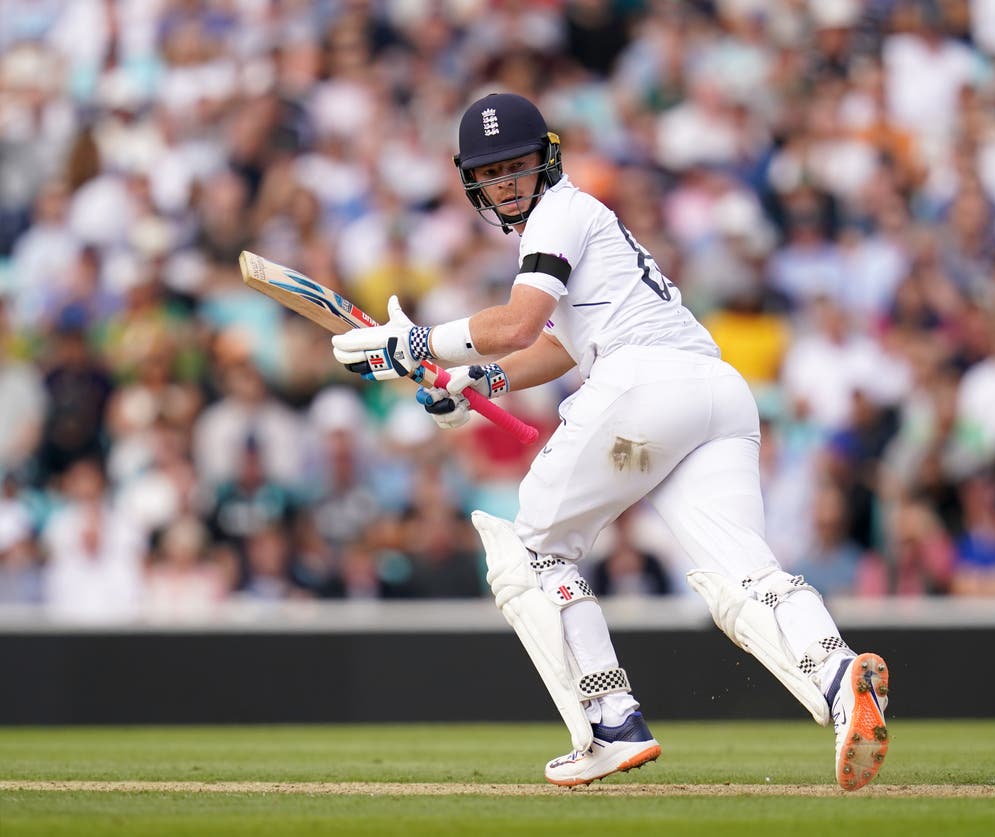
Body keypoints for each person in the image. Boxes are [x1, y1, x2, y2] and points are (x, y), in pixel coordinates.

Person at [331, 93, 890, 790]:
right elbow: (558, 345)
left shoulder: (562, 211)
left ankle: (610, 720)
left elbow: (516, 324)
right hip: (711, 396)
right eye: (493, 172)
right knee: (742, 576)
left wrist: (415, 342)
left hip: (645, 394)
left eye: (518, 166)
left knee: (530, 547)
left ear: (547, 160)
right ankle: (840, 674)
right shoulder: (580, 225)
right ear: (473, 182)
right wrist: (466, 379)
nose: (507, 182)